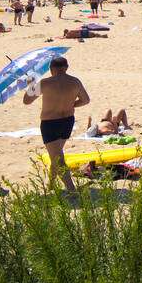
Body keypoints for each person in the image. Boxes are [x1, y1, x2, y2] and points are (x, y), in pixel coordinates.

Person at [24, 56, 90, 193]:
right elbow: (85, 100)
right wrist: (71, 104)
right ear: (66, 68)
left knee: (58, 159)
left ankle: (72, 191)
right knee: (56, 155)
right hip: (67, 121)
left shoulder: (45, 83)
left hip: (50, 123)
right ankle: (50, 184)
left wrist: (30, 85)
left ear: (51, 69)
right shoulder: (75, 81)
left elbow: (27, 101)